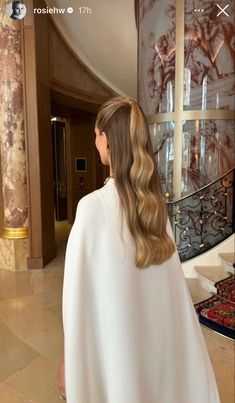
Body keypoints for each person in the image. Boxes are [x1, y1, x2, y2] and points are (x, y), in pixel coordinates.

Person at [58, 96, 221, 402]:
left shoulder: (92, 208)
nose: (95, 143)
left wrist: (70, 362)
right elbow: (173, 302)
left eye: (95, 135)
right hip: (157, 361)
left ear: (106, 141)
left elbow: (76, 300)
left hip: (117, 359)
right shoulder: (155, 208)